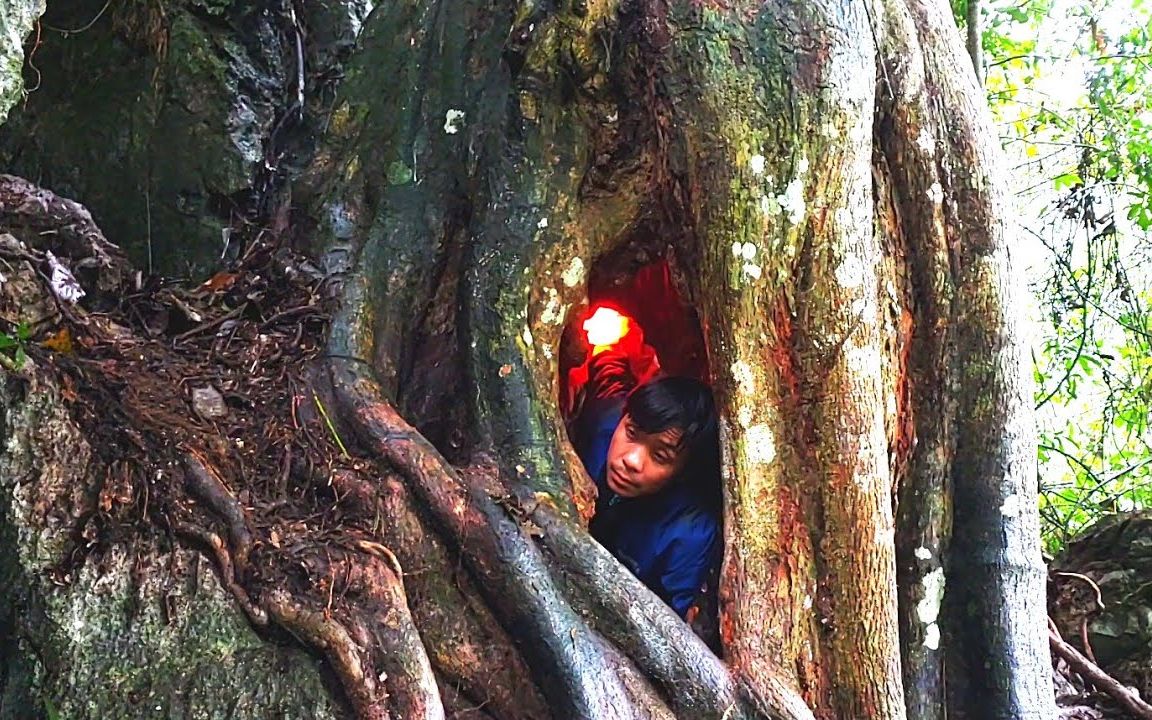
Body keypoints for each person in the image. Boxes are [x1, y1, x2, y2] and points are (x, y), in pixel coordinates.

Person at [570, 321, 722, 622]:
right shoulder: (605, 423)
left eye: (660, 456)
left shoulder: (689, 533)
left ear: (683, 472)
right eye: (632, 433)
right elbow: (609, 380)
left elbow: (669, 620)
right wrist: (605, 344)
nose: (632, 460)